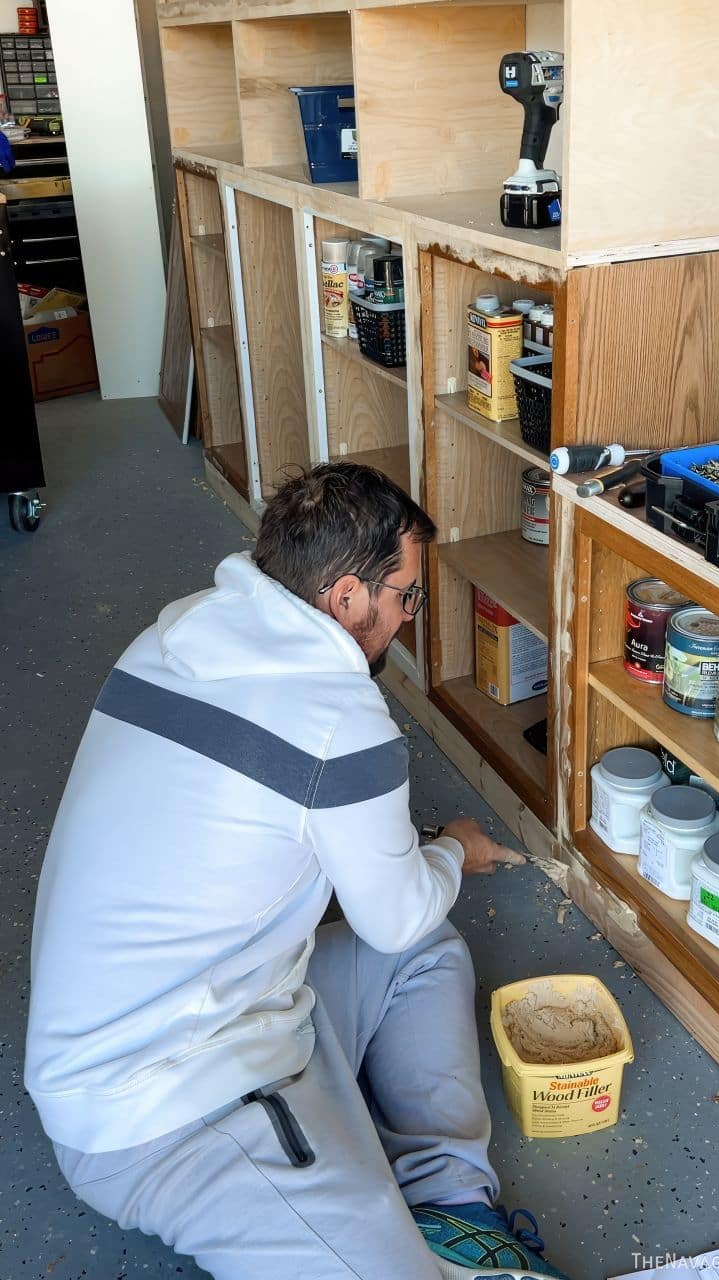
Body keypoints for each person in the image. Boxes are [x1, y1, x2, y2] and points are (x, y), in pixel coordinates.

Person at [25, 462, 567, 1280]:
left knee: (426, 959)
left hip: (211, 1015)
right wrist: (454, 849)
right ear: (348, 597)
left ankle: (453, 1208)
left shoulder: (176, 630)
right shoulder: (340, 719)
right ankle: (398, 1218)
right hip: (162, 1109)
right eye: (407, 598)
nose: (409, 618)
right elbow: (392, 914)